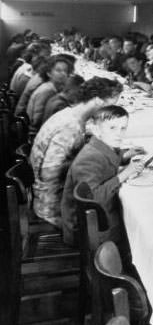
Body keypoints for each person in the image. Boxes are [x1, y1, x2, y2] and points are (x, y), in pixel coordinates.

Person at [30, 77, 124, 227]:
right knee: (115, 210)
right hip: (54, 205)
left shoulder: (71, 114)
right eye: (111, 105)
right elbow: (48, 173)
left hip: (55, 195)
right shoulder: (69, 127)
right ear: (98, 101)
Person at [60, 105, 145, 247]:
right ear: (96, 130)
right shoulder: (89, 158)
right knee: (139, 225)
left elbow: (107, 159)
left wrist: (125, 155)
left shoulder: (98, 146)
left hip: (97, 219)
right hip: (90, 229)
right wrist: (125, 173)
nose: (119, 134)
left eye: (123, 128)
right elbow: (93, 199)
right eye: (112, 128)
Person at [26, 55, 73, 128]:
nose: (63, 74)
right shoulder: (48, 90)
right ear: (49, 73)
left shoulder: (49, 85)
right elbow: (36, 120)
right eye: (58, 70)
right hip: (33, 130)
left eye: (65, 71)